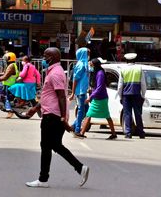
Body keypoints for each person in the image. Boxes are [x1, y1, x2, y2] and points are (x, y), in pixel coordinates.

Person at [25, 47, 89, 188]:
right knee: (54, 145)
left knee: (47, 146)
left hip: (53, 116)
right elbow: (50, 95)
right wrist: (36, 108)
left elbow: (61, 96)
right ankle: (79, 168)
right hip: (53, 114)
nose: (43, 58)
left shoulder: (55, 74)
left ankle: (43, 179)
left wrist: (62, 119)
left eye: (45, 56)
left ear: (52, 58)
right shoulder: (54, 71)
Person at [75, 58, 117, 140]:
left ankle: (82, 133)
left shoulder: (100, 73)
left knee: (91, 114)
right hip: (99, 97)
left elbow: (100, 87)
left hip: (100, 98)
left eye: (91, 65)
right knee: (101, 115)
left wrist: (90, 97)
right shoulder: (97, 72)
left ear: (94, 65)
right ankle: (113, 133)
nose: (90, 66)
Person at [117, 53, 147, 139]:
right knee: (138, 114)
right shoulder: (139, 69)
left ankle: (128, 133)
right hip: (137, 94)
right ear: (135, 60)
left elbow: (120, 85)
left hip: (126, 95)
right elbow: (143, 84)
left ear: (126, 60)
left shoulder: (123, 69)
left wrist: (120, 96)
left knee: (127, 114)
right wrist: (143, 95)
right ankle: (141, 133)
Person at [69, 47, 90, 135]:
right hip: (80, 91)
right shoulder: (81, 65)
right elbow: (75, 79)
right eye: (87, 53)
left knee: (86, 110)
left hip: (84, 91)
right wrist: (73, 93)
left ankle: (74, 125)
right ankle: (77, 130)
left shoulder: (85, 64)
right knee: (81, 110)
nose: (89, 55)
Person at [0, 52, 19, 118]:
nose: (5, 60)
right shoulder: (12, 65)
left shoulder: (11, 66)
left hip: (9, 84)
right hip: (7, 83)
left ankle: (10, 111)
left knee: (5, 97)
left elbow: (5, 77)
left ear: (9, 58)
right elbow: (5, 73)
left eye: (6, 58)